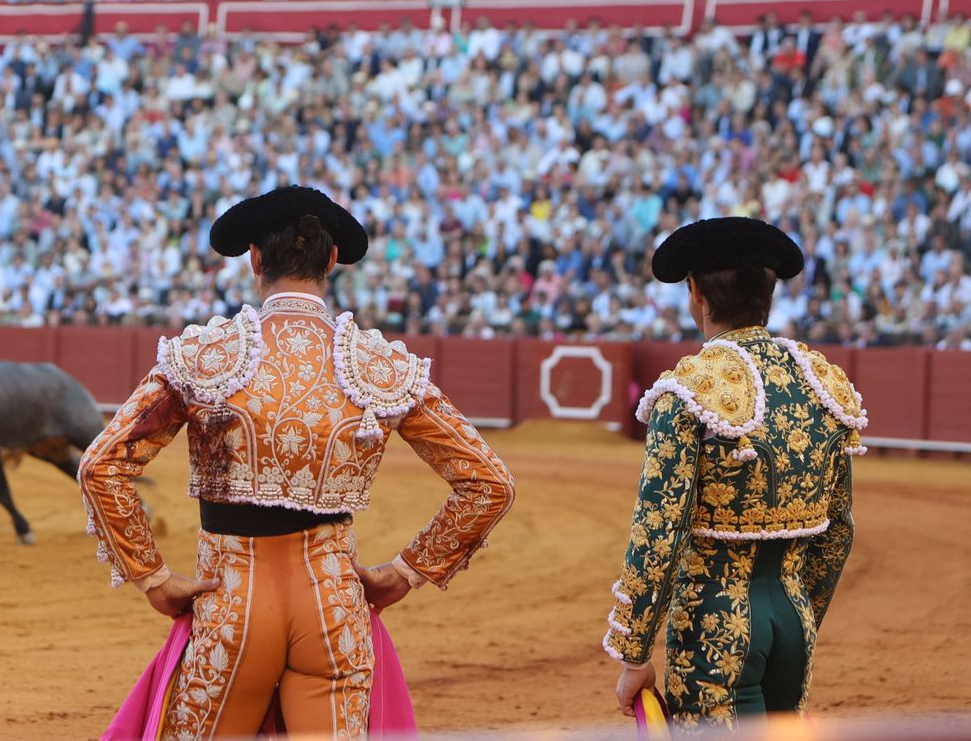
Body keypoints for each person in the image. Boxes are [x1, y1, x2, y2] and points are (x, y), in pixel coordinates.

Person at [80, 186, 516, 739]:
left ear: (255, 259)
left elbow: (101, 465)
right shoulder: (379, 365)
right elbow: (489, 483)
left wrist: (152, 577)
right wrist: (407, 571)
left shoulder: (206, 357)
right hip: (333, 605)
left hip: (231, 603)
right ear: (332, 261)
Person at [603, 217, 867, 727]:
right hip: (794, 616)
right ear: (767, 292)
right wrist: (802, 614)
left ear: (696, 293)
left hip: (714, 620)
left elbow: (659, 530)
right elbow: (838, 532)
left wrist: (634, 653)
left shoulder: (688, 390)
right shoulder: (821, 383)